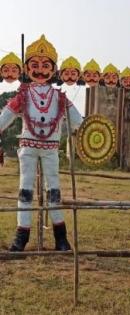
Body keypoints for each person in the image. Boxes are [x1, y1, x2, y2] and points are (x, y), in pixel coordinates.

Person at [0, 35, 83, 251]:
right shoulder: (23, 95)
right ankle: (21, 236)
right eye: (34, 65)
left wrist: (88, 135)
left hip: (51, 149)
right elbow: (6, 117)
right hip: (27, 148)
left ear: (53, 69)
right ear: (27, 69)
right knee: (25, 190)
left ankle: (61, 238)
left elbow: (78, 122)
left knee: (54, 191)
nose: (40, 70)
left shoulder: (60, 97)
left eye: (45, 66)